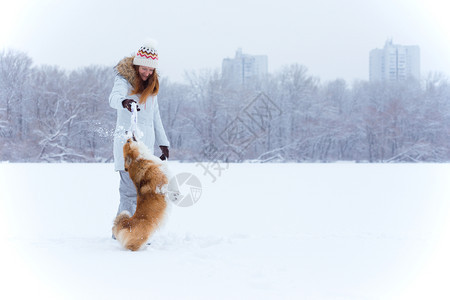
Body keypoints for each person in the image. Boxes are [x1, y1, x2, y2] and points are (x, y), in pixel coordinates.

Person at [109, 40, 170, 219]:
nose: (147, 73)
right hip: (127, 147)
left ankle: (135, 231)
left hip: (146, 149)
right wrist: (124, 102)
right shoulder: (124, 81)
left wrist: (163, 143)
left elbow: (155, 118)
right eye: (144, 69)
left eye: (151, 70)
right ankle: (124, 231)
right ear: (136, 65)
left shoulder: (151, 89)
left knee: (142, 193)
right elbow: (113, 98)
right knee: (129, 192)